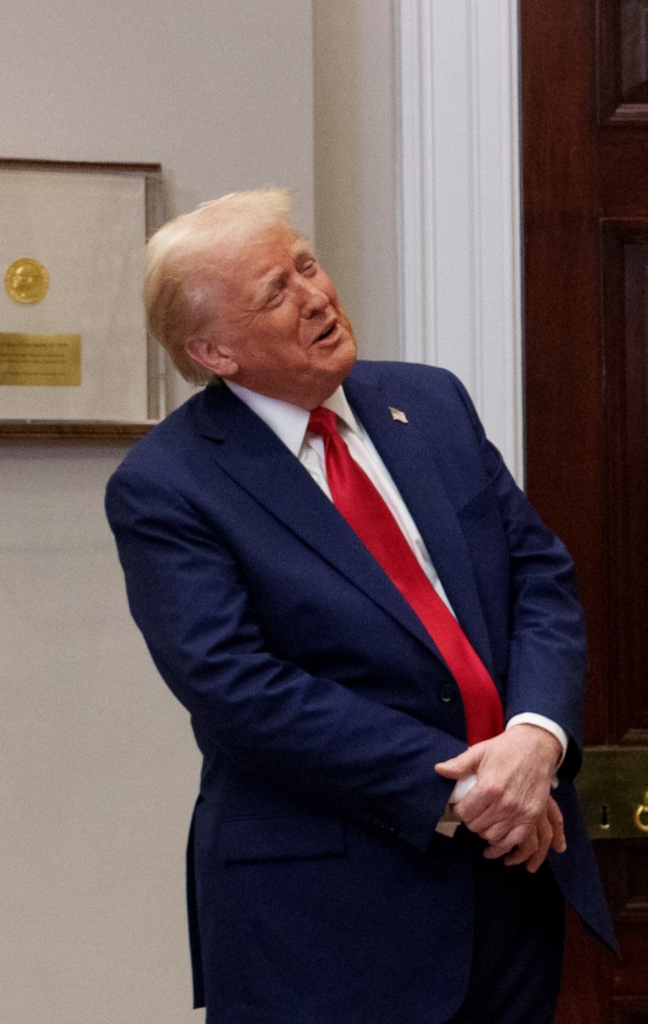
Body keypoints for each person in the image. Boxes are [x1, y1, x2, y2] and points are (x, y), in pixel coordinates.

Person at [106, 189, 614, 1023]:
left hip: (511, 882)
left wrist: (535, 738)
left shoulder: (433, 403)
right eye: (275, 292)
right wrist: (469, 790)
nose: (315, 295)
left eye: (306, 265)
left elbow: (538, 575)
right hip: (327, 916)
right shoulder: (167, 484)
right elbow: (238, 688)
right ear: (214, 350)